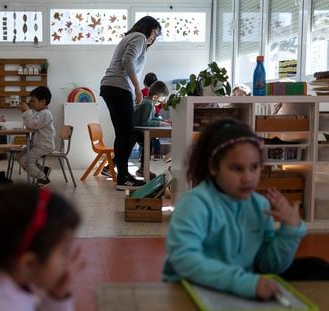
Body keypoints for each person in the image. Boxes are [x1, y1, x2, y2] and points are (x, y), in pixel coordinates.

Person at [163, 118, 307, 301]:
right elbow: (185, 260)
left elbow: (267, 266)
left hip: (236, 291)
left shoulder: (259, 206)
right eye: (237, 169)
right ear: (214, 167)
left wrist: (290, 230)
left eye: (254, 167)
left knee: (316, 268)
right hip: (189, 291)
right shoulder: (194, 204)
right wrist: (244, 283)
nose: (248, 178)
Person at [100, 16, 162, 190]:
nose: (153, 38)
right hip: (119, 86)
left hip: (111, 86)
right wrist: (136, 87)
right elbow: (127, 61)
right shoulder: (139, 37)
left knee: (124, 133)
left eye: (156, 36)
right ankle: (123, 177)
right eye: (154, 33)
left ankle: (122, 175)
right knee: (127, 133)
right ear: (147, 27)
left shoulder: (130, 37)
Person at [18, 86, 56, 185]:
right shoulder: (40, 112)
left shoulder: (45, 114)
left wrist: (27, 112)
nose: (32, 104)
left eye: (34, 101)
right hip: (39, 144)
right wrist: (27, 113)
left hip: (44, 145)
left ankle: (43, 177)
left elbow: (32, 125)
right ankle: (43, 170)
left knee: (25, 161)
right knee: (21, 156)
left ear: (43, 102)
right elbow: (30, 122)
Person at [133, 80, 170, 179]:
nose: (160, 104)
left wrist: (163, 121)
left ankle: (143, 169)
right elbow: (146, 122)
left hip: (135, 130)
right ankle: (143, 169)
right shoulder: (148, 104)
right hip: (133, 132)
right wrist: (161, 123)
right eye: (160, 101)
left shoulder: (149, 103)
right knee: (147, 143)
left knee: (147, 144)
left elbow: (150, 119)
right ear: (154, 97)